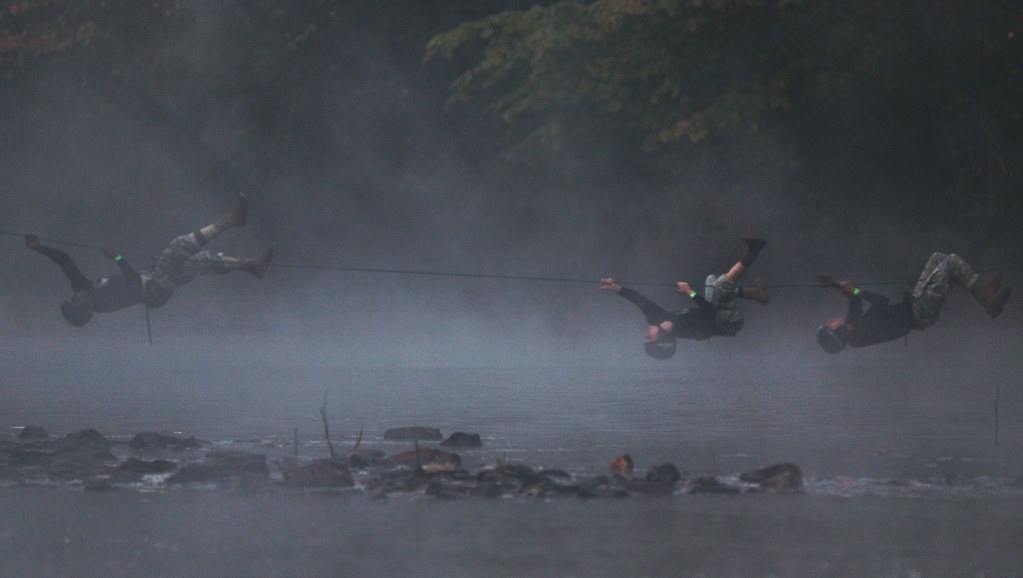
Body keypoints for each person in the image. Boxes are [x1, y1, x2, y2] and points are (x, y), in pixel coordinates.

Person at [25, 194, 274, 327]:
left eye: (73, 298)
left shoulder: (83, 288)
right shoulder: (103, 302)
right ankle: (231, 220)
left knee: (201, 262)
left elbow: (64, 260)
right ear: (86, 310)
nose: (76, 297)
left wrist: (37, 248)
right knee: (178, 248)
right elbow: (133, 281)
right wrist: (119, 258)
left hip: (153, 282)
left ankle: (252, 266)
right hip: (154, 289)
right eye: (77, 303)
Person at [600, 237, 770, 359]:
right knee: (720, 287)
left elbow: (637, 298)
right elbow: (710, 312)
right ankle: (753, 250)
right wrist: (690, 292)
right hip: (729, 323)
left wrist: (613, 287)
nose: (646, 334)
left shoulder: (655, 318)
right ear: (662, 338)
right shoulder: (686, 330)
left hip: (718, 312)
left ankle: (756, 293)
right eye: (648, 338)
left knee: (711, 281)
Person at [815, 252, 1011, 353]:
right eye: (831, 325)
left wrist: (833, 283)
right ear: (838, 333)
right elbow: (881, 302)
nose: (832, 320)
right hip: (920, 312)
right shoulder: (860, 332)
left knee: (938, 258)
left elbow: (855, 298)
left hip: (914, 305)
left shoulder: (852, 326)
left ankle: (984, 293)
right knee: (951, 263)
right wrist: (855, 289)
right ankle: (987, 299)